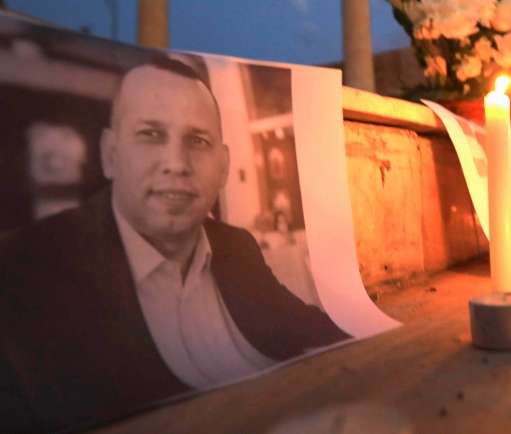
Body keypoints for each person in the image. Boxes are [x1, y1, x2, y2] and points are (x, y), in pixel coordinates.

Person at [0, 56, 349, 433]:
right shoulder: (25, 266)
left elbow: (306, 328)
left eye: (197, 141)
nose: (176, 163)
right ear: (110, 154)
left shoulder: (236, 247)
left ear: (223, 167)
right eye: (151, 134)